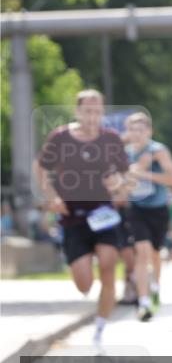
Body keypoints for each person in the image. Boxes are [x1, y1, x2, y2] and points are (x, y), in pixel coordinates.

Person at [34, 90, 130, 347]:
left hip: (103, 213)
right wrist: (52, 196)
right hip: (72, 216)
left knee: (108, 265)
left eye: (97, 111)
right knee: (84, 283)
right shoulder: (61, 137)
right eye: (87, 111)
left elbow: (125, 175)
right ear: (77, 112)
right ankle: (85, 272)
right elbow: (41, 166)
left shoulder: (111, 139)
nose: (92, 116)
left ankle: (99, 328)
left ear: (102, 113)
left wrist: (118, 184)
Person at [124, 112, 172, 321]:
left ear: (149, 131)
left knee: (155, 254)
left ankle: (156, 286)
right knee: (142, 253)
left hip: (158, 210)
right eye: (132, 129)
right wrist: (125, 180)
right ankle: (144, 303)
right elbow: (119, 185)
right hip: (136, 209)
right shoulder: (124, 154)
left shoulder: (158, 151)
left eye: (140, 129)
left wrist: (144, 173)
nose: (136, 134)